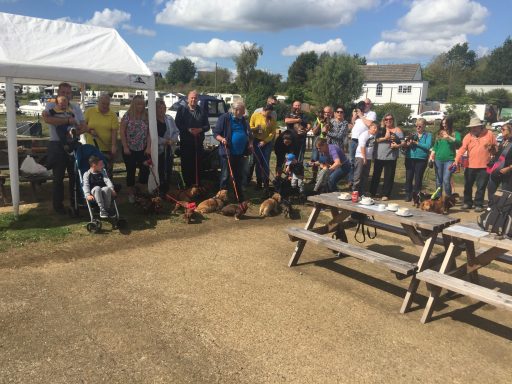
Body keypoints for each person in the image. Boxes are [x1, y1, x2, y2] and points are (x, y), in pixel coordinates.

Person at [43, 82, 87, 215]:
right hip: (56, 144)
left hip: (73, 143)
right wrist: (67, 122)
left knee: (75, 175)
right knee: (58, 178)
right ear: (58, 93)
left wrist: (74, 132)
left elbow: (83, 126)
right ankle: (58, 206)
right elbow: (47, 119)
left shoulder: (75, 107)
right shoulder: (51, 105)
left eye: (68, 93)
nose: (66, 95)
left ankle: (75, 203)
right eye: (63, 93)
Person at [454, 117, 497, 212]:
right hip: (470, 165)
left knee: (481, 186)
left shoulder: (489, 134)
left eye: (475, 127)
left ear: (480, 126)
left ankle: (478, 204)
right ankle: (467, 203)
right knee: (468, 185)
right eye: (471, 127)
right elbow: (462, 148)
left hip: (485, 165)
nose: (472, 129)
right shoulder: (468, 136)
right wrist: (456, 159)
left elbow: (496, 150)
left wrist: (492, 148)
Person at [214, 101, 253, 203]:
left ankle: (238, 195)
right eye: (242, 110)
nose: (244, 112)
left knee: (238, 175)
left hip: (240, 153)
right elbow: (216, 133)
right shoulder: (225, 118)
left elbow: (249, 134)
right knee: (225, 175)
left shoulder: (243, 120)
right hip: (227, 151)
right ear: (235, 110)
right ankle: (222, 198)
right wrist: (222, 139)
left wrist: (250, 143)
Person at [119, 95, 151, 203]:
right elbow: (122, 131)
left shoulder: (146, 116)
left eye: (142, 104)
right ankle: (131, 193)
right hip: (130, 149)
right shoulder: (127, 116)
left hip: (143, 148)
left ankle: (142, 191)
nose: (140, 106)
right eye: (138, 104)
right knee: (130, 171)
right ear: (133, 104)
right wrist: (125, 147)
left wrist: (148, 147)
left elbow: (149, 133)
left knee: (145, 169)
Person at [175, 90, 209, 187]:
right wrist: (188, 130)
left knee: (198, 164)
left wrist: (200, 129)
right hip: (186, 143)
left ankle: (197, 184)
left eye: (195, 98)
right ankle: (188, 185)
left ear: (197, 99)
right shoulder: (181, 110)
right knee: (186, 164)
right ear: (187, 99)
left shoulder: (202, 111)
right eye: (191, 98)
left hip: (198, 143)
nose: (193, 99)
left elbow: (207, 126)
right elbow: (177, 123)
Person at [369, 113, 404, 200]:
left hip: (391, 156)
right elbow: (375, 140)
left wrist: (397, 146)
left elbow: (403, 142)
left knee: (389, 176)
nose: (388, 121)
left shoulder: (397, 130)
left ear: (393, 120)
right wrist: (385, 138)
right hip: (379, 156)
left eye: (390, 119)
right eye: (386, 119)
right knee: (376, 175)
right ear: (384, 120)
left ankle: (386, 194)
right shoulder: (380, 129)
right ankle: (372, 192)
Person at [84, 94, 119, 175]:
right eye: (103, 103)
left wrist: (114, 145)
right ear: (98, 102)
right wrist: (89, 130)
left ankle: (108, 186)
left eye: (107, 104)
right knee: (93, 170)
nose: (105, 106)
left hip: (107, 148)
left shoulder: (113, 115)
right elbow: (83, 125)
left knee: (107, 170)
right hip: (92, 147)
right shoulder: (90, 111)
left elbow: (114, 131)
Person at [247, 96, 278, 184]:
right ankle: (259, 182)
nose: (267, 115)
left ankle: (266, 182)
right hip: (256, 140)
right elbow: (250, 127)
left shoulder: (272, 119)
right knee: (258, 162)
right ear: (263, 110)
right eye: (266, 113)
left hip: (266, 142)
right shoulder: (255, 115)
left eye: (270, 113)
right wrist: (255, 129)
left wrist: (265, 141)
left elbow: (272, 133)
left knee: (265, 162)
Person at [429, 116, 461, 197]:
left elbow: (459, 143)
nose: (444, 125)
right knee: (438, 180)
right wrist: (431, 156)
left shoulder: (455, 133)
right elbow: (435, 147)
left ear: (449, 123)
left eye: (445, 123)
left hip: (449, 160)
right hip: (438, 159)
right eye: (442, 123)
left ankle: (448, 198)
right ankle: (438, 198)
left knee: (446, 180)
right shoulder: (439, 133)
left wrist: (449, 137)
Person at [402, 118, 432, 202]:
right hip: (410, 157)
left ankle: (416, 195)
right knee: (409, 177)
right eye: (416, 126)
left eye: (420, 126)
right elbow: (405, 145)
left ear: (424, 126)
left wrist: (416, 143)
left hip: (421, 159)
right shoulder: (412, 134)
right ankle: (408, 194)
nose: (418, 128)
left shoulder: (428, 135)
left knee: (418, 178)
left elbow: (428, 146)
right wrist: (407, 144)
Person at [349, 98, 377, 185]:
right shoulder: (359, 113)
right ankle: (351, 181)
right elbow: (353, 124)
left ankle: (360, 183)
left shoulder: (372, 113)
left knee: (361, 163)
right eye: (364, 103)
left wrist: (361, 115)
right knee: (352, 161)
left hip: (363, 140)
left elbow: (369, 124)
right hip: (354, 139)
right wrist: (354, 117)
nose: (365, 105)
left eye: (367, 103)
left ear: (370, 105)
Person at [156, 99, 179, 194]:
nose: (162, 110)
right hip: (157, 150)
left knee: (168, 169)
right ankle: (159, 188)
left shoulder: (169, 119)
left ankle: (167, 188)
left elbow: (176, 131)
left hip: (169, 149)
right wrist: (164, 141)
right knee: (159, 169)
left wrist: (173, 140)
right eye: (159, 108)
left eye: (163, 108)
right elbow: (152, 135)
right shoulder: (152, 121)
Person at [487, 123, 512, 205]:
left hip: (508, 171)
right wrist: (492, 150)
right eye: (501, 128)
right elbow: (499, 155)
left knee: (506, 193)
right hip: (497, 169)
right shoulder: (503, 140)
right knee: (491, 189)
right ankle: (491, 208)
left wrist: (508, 168)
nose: (501, 130)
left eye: (503, 129)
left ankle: (503, 213)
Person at [353, 122, 377, 197]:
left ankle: (362, 192)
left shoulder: (374, 135)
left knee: (365, 175)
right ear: (370, 127)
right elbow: (362, 146)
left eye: (377, 128)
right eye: (374, 128)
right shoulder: (364, 134)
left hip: (368, 158)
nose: (376, 130)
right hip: (360, 156)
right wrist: (364, 158)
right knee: (358, 175)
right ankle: (355, 192)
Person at [310, 106, 333, 183]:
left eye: (328, 112)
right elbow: (314, 132)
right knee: (315, 159)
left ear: (331, 113)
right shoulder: (318, 120)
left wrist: (328, 124)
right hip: (316, 144)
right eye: (325, 112)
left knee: (323, 161)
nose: (326, 114)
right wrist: (320, 123)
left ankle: (321, 178)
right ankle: (314, 178)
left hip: (326, 144)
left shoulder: (333, 121)